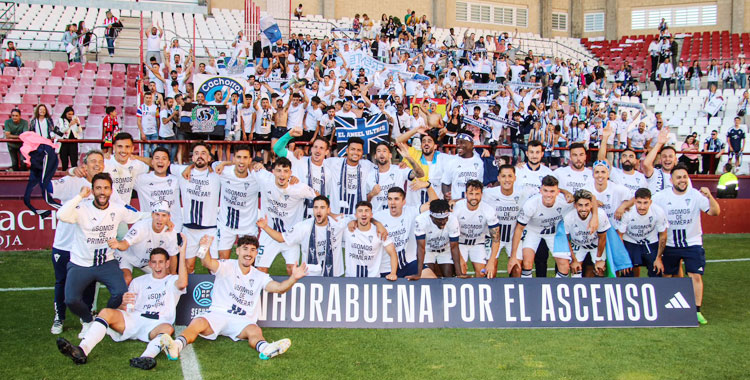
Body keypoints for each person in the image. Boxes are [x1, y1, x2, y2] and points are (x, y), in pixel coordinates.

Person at [162, 235, 306, 360]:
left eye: (252, 250)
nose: (248, 253)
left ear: (256, 253)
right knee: (198, 322)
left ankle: (266, 348)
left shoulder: (260, 276)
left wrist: (294, 278)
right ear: (237, 251)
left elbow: (280, 289)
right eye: (245, 248)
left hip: (242, 320)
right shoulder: (227, 266)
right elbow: (207, 263)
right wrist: (204, 248)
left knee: (254, 330)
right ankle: (176, 346)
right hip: (218, 314)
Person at [56, 241, 188, 370]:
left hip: (157, 323)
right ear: (150, 264)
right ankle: (82, 350)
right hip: (134, 319)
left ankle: (145, 357)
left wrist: (182, 254)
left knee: (168, 329)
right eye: (154, 262)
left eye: (161, 262)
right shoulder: (138, 281)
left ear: (167, 263)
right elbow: (124, 309)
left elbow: (183, 283)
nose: (157, 266)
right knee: (106, 312)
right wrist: (123, 303)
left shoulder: (172, 280)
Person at [56, 173, 145, 338]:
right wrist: (80, 196)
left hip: (106, 262)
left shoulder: (118, 209)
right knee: (71, 300)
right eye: (98, 188)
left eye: (106, 188)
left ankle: (103, 320)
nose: (102, 192)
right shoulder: (82, 207)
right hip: (80, 263)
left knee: (120, 293)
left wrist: (161, 218)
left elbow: (140, 216)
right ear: (92, 190)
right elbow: (61, 215)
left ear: (111, 190)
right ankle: (88, 320)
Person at [652, 164, 720, 325]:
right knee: (666, 275)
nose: (682, 180)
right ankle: (665, 307)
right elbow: (648, 207)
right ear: (671, 180)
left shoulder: (695, 195)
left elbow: (715, 212)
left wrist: (710, 197)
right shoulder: (661, 197)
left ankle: (696, 311)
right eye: (678, 177)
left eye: (684, 177)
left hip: (692, 243)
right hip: (669, 244)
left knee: (695, 275)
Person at [48, 150, 104, 334]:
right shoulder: (72, 181)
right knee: (62, 282)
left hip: (88, 246)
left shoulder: (104, 186)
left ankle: (86, 318)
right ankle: (59, 318)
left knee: (89, 282)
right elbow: (49, 188)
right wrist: (69, 171)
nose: (97, 164)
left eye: (100, 162)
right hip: (65, 244)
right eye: (92, 161)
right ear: (84, 165)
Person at [509, 175, 592, 278]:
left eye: (552, 191)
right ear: (541, 190)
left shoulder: (565, 202)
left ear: (558, 192)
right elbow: (519, 229)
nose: (548, 195)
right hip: (533, 231)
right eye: (546, 191)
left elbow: (588, 201)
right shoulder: (531, 204)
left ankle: (557, 292)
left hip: (554, 233)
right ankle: (530, 292)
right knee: (527, 263)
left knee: (564, 266)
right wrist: (513, 256)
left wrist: (596, 215)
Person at [257, 195, 347, 276]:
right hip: (309, 274)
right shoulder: (303, 227)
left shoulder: (338, 224)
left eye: (322, 207)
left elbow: (357, 217)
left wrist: (353, 223)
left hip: (334, 274)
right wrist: (265, 227)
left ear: (328, 210)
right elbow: (281, 238)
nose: (318, 211)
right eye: (316, 207)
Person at [254, 157, 316, 274]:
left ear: (290, 173)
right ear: (272, 171)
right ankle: (261, 292)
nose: (282, 175)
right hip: (268, 234)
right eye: (278, 170)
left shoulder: (298, 188)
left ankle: (292, 291)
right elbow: (248, 165)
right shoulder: (264, 178)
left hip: (290, 236)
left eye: (286, 171)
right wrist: (256, 165)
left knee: (292, 271)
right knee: (260, 270)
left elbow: (317, 196)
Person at [111, 201, 178, 285]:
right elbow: (125, 244)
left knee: (165, 279)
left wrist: (173, 275)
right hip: (127, 257)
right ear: (152, 215)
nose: (160, 219)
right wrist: (118, 244)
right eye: (157, 214)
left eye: (163, 215)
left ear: (169, 217)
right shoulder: (141, 227)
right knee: (126, 279)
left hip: (147, 262)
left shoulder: (171, 232)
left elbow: (173, 255)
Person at [211, 146, 260, 258]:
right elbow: (211, 163)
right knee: (223, 262)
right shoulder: (223, 171)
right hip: (226, 225)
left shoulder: (256, 176)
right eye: (238, 157)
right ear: (234, 159)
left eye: (245, 158)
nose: (241, 161)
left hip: (248, 226)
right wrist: (224, 163)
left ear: (250, 160)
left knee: (248, 262)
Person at [483, 165, 525, 278]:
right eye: (504, 176)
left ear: (515, 178)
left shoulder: (523, 193)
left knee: (516, 269)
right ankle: (491, 293)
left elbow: (547, 191)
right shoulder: (488, 193)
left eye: (510, 176)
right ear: (498, 178)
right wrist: (453, 201)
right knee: (491, 269)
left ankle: (515, 293)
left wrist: (565, 193)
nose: (507, 180)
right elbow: (472, 199)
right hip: (493, 237)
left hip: (513, 237)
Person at [452, 180, 501, 277]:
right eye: (471, 194)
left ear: (482, 194)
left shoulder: (488, 210)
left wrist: (491, 262)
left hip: (478, 243)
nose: (474, 197)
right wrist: (460, 259)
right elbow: (451, 237)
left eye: (477, 194)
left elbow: (496, 239)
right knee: (460, 272)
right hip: (459, 243)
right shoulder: (456, 209)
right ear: (465, 194)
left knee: (482, 273)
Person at [617, 188, 668, 278]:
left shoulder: (658, 212)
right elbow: (619, 236)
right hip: (630, 241)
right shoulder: (627, 213)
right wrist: (623, 258)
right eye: (639, 202)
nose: (642, 207)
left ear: (650, 202)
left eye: (645, 203)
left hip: (650, 241)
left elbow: (663, 235)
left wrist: (659, 258)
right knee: (626, 272)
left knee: (657, 271)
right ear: (635, 201)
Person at [342, 201, 399, 279]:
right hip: (351, 279)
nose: (364, 214)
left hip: (373, 280)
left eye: (367, 211)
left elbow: (392, 252)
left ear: (371, 215)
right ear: (355, 215)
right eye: (360, 211)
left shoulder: (379, 232)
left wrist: (393, 273)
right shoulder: (347, 230)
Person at [562, 189, 609, 277]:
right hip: (578, 245)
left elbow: (602, 238)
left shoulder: (600, 215)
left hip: (596, 245)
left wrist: (598, 259)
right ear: (575, 205)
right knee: (575, 271)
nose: (583, 209)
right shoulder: (568, 218)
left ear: (591, 204)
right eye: (580, 205)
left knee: (600, 270)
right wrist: (574, 260)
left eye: (586, 205)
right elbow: (566, 240)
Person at [366, 141, 423, 211]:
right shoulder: (370, 174)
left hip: (398, 216)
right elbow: (365, 200)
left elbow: (420, 174)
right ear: (375, 156)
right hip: (378, 216)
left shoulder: (399, 169)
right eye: (378, 151)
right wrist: (372, 194)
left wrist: (409, 158)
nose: (381, 153)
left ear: (390, 155)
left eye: (384, 151)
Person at [325, 137, 374, 215]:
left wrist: (401, 164)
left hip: (358, 217)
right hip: (337, 215)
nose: (355, 152)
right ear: (347, 150)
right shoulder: (334, 163)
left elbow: (383, 168)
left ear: (362, 152)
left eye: (359, 150)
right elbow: (315, 162)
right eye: (352, 149)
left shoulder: (367, 165)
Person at [441, 131, 484, 200]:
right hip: (456, 204)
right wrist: (447, 194)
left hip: (473, 203)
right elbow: (445, 182)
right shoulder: (451, 161)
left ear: (472, 144)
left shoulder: (479, 161)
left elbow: (481, 184)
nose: (458, 146)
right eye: (457, 143)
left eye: (462, 143)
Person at [56, 106, 82, 172]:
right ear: (65, 113)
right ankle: (64, 175)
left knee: (74, 160)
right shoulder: (61, 120)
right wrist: (69, 125)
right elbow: (61, 131)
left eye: (72, 114)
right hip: (64, 141)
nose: (70, 116)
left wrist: (78, 124)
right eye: (69, 114)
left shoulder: (76, 119)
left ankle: (75, 175)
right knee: (64, 160)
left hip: (73, 141)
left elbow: (79, 131)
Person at [137, 92, 160, 157]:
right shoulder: (141, 108)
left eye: (150, 98)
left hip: (154, 132)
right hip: (145, 132)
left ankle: (154, 166)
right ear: (144, 98)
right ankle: (146, 166)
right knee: (146, 150)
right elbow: (139, 121)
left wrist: (158, 131)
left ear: (152, 98)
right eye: (147, 98)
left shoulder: (155, 108)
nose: (148, 99)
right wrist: (142, 133)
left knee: (155, 150)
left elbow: (158, 120)